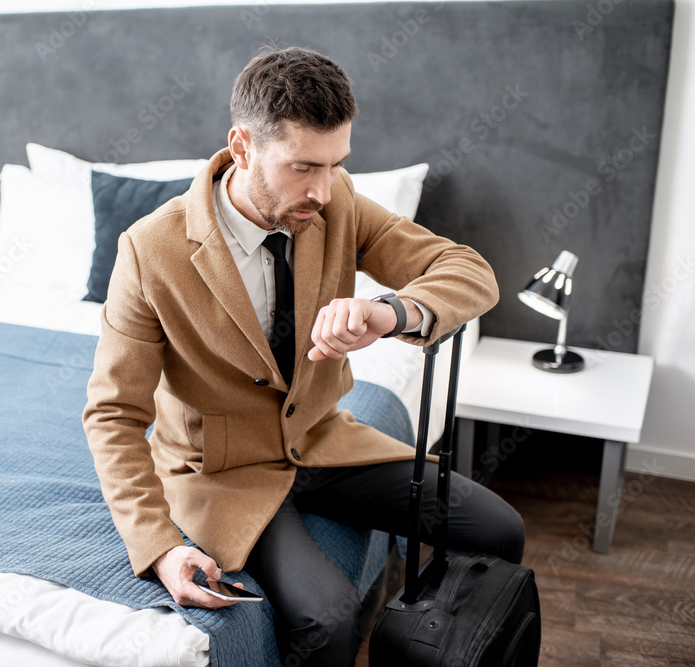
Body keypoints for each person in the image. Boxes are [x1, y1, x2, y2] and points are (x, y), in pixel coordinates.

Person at [82, 46, 524, 666]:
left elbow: (468, 271)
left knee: (500, 530)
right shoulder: (149, 250)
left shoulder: (336, 201)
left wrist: (388, 312)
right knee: (330, 616)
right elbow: (113, 415)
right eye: (303, 167)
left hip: (323, 438)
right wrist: (158, 545)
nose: (323, 188)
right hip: (222, 472)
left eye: (338, 164)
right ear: (242, 147)